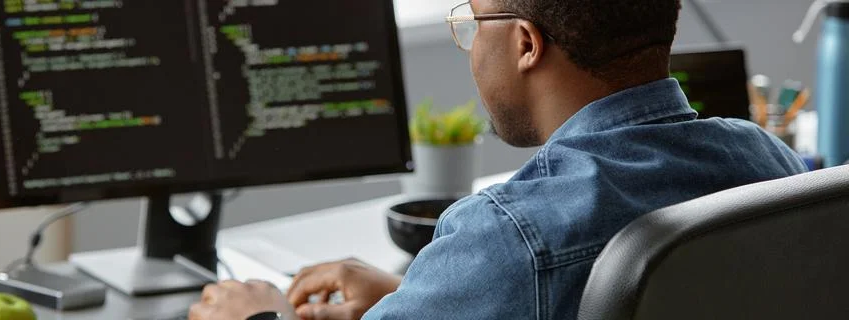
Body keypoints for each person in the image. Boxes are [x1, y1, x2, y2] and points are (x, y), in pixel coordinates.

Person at [188, 0, 807, 318]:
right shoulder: (769, 163)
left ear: (525, 43)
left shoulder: (510, 237)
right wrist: (417, 294)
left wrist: (263, 313)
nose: (470, 44)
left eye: (474, 21)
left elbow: (528, 273)